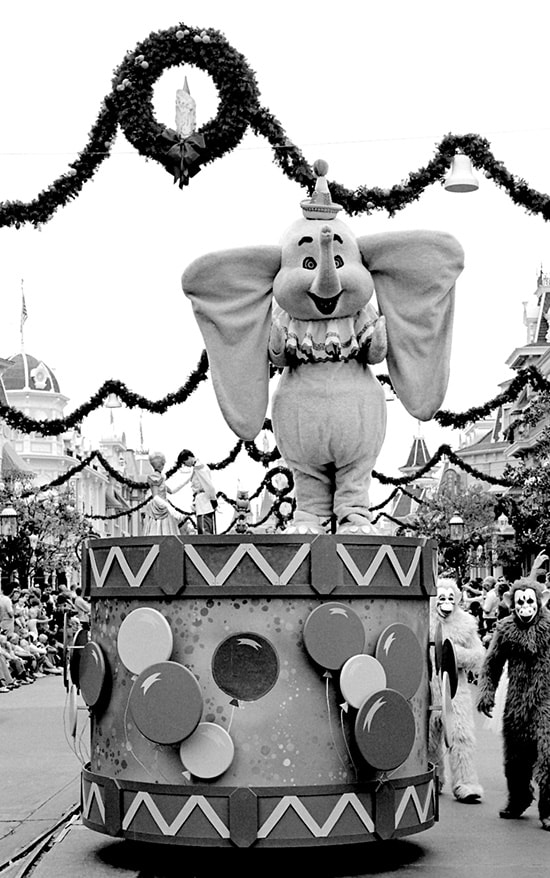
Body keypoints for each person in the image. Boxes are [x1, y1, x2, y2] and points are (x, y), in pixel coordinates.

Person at [477, 577, 550, 830]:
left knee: (547, 754)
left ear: (540, 602)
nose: (525, 607)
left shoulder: (549, 627)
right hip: (516, 700)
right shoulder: (506, 629)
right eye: (520, 602)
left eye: (530, 601)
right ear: (512, 603)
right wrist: (486, 693)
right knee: (515, 758)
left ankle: (548, 808)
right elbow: (492, 663)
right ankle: (519, 799)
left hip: (545, 700)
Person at [143, 450, 184, 536]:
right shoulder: (154, 477)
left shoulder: (161, 477)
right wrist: (170, 508)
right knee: (159, 531)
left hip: (164, 507)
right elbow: (155, 497)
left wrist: (186, 480)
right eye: (162, 464)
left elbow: (172, 491)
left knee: (168, 531)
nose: (163, 466)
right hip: (158, 507)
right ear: (160, 465)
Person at [179, 449, 218, 535]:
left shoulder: (199, 468)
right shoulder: (198, 467)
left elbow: (209, 486)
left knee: (204, 529)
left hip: (203, 500)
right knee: (204, 528)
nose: (186, 465)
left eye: (185, 462)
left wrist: (213, 499)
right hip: (203, 500)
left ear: (188, 458)